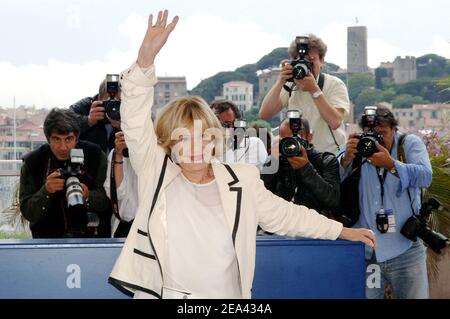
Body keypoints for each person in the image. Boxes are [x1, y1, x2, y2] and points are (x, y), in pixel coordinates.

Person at [108, 10, 376, 299]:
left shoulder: (242, 181)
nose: (195, 147)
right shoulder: (155, 172)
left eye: (203, 136)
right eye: (183, 138)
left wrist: (341, 231)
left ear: (215, 139)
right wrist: (145, 61)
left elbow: (286, 216)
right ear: (168, 144)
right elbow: (134, 118)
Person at [338, 106, 432, 299]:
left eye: (382, 134)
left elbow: (425, 177)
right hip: (367, 253)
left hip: (406, 248)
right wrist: (346, 159)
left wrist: (390, 164)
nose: (376, 140)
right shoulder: (359, 147)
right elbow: (332, 181)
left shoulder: (409, 144)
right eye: (371, 134)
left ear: (394, 131)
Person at [19, 108, 111, 238]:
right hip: (48, 240)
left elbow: (109, 200)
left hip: (91, 238)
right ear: (48, 139)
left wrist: (88, 195)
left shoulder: (95, 155)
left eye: (68, 139)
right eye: (57, 139)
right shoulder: (33, 162)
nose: (63, 147)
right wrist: (46, 191)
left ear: (77, 138)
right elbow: (28, 212)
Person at [259, 34, 350, 154]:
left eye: (311, 61)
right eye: (301, 61)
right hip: (297, 156)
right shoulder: (291, 85)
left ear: (322, 60)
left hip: (328, 158)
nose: (306, 66)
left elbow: (335, 122)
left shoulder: (334, 84)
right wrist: (281, 81)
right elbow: (265, 114)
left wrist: (314, 90)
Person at [261, 118, 340, 216]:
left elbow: (333, 201)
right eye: (285, 139)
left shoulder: (325, 160)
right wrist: (272, 162)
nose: (290, 145)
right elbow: (261, 196)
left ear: (309, 137)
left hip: (314, 225)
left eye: (296, 138)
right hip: (280, 224)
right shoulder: (276, 160)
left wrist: (306, 168)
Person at [211, 99, 268, 170]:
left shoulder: (253, 144)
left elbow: (242, 175)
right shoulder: (206, 151)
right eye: (221, 124)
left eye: (227, 124)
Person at [69, 78, 121, 153]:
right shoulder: (83, 107)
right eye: (109, 102)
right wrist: (88, 121)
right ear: (99, 98)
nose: (113, 108)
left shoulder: (126, 111)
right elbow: (64, 126)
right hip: (88, 161)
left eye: (117, 103)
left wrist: (123, 127)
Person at [104, 131, 138, 238]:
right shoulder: (116, 154)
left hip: (150, 226)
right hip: (124, 226)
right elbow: (116, 194)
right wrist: (119, 155)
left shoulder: (159, 154)